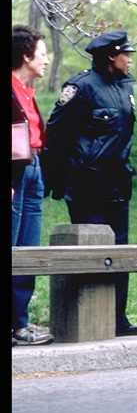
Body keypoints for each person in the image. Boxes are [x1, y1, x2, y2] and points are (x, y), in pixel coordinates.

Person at [44, 30, 137, 337]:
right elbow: (57, 134)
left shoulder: (126, 86)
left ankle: (117, 318)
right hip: (86, 184)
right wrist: (57, 179)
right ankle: (87, 319)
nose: (130, 59)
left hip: (117, 183)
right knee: (91, 251)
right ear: (112, 56)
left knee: (120, 250)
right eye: (126, 54)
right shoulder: (81, 87)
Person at [11, 25, 54, 346]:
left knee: (28, 249)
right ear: (26, 56)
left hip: (32, 168)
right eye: (41, 54)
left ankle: (19, 324)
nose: (46, 60)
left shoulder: (28, 91)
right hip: (14, 173)